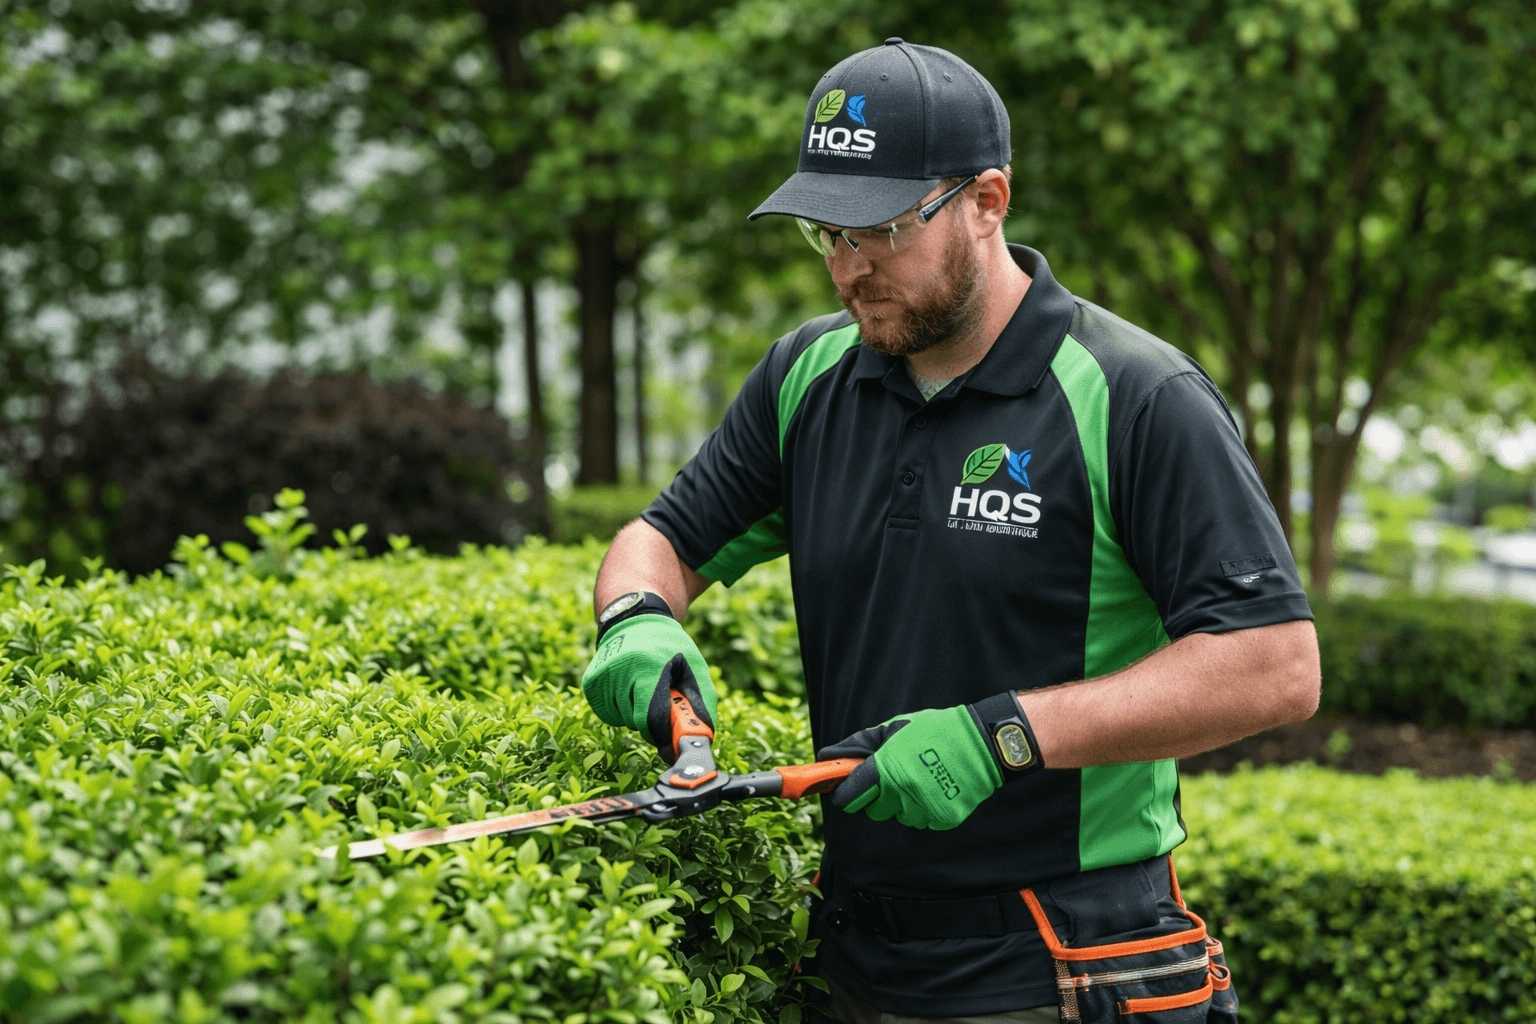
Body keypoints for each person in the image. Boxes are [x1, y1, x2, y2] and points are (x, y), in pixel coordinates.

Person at [580, 38, 1320, 1023]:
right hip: (854, 948)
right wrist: (636, 618)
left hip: (1069, 953)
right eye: (826, 234)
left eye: (880, 230)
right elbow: (661, 538)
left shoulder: (1138, 397)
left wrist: (1006, 734)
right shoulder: (810, 377)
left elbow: (1274, 664)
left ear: (987, 201)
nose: (849, 269)